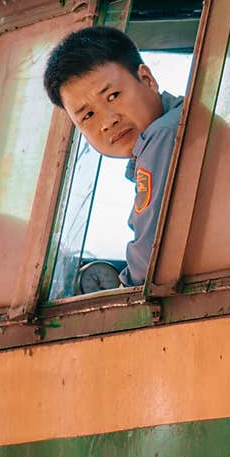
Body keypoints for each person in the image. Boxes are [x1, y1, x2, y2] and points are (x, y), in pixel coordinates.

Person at [43, 25, 183, 287]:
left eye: (113, 96)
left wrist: (123, 288)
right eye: (88, 115)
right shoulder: (175, 124)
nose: (108, 121)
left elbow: (150, 262)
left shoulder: (164, 135)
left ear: (147, 80)